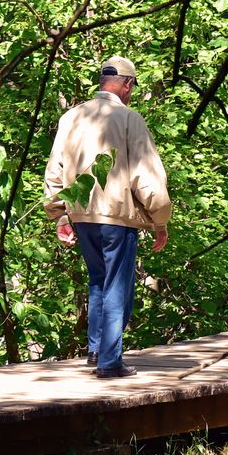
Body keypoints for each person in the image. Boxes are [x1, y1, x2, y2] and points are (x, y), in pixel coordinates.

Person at [44, 56, 171, 379]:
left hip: (81, 215)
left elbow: (55, 169)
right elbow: (146, 176)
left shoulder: (70, 117)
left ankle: (96, 349)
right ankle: (110, 361)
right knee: (117, 285)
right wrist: (160, 219)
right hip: (117, 215)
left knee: (98, 280)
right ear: (127, 84)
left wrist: (60, 215)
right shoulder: (129, 119)